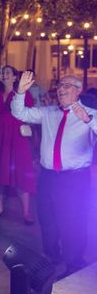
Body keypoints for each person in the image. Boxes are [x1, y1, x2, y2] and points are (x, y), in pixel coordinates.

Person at [12, 73, 96, 277]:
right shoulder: (49, 112)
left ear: (78, 90)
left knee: (72, 221)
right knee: (48, 218)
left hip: (75, 179)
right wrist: (21, 92)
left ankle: (74, 263)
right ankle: (52, 256)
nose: (61, 89)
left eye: (66, 85)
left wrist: (88, 120)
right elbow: (20, 113)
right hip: (48, 176)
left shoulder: (91, 114)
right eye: (59, 85)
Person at [0, 66, 36, 224]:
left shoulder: (21, 93)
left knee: (20, 172)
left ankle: (26, 212)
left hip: (17, 135)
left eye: (7, 73)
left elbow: (29, 109)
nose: (4, 75)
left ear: (14, 77)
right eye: (3, 72)